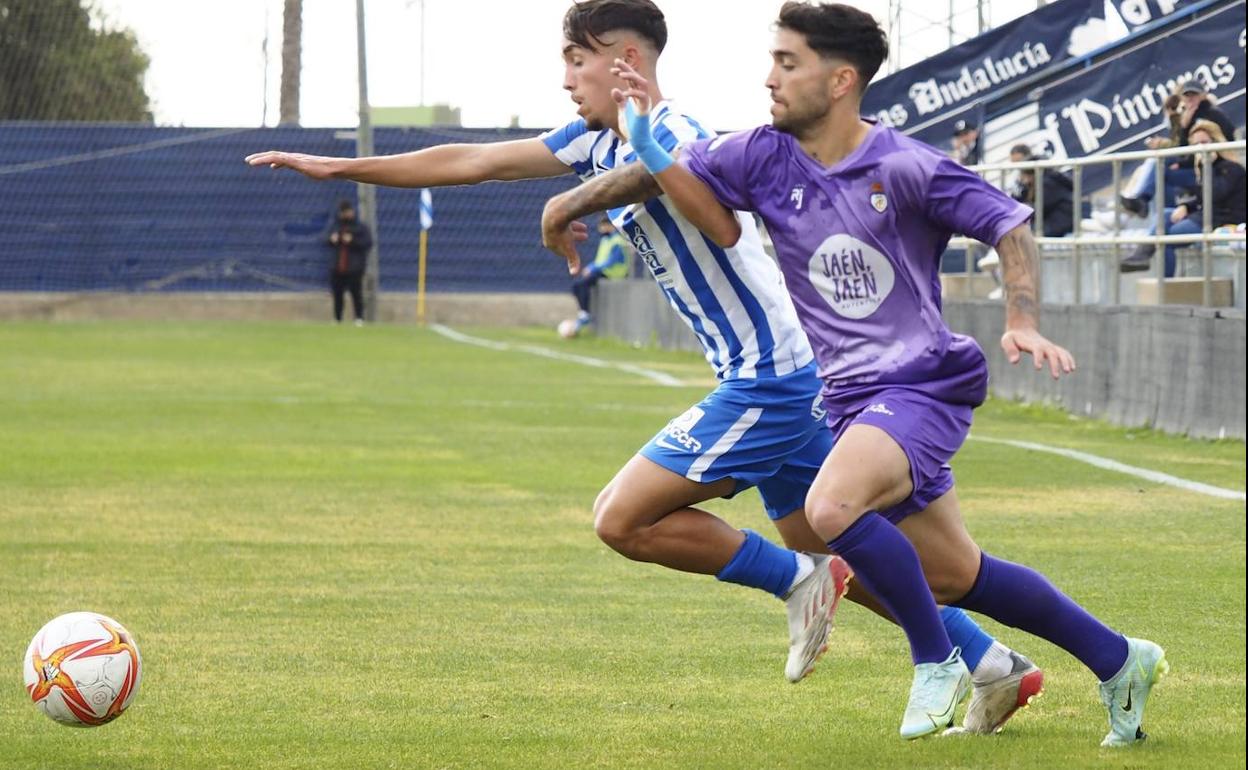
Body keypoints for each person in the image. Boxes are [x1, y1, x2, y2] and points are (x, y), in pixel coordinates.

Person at [248, 0, 1039, 736]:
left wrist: (572, 202)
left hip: (770, 376)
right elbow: (476, 159)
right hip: (790, 378)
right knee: (852, 557)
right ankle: (988, 661)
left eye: (575, 62)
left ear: (625, 58)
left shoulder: (677, 131)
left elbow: (699, 203)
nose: (564, 80)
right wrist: (340, 170)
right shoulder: (590, 140)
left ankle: (797, 584)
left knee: (623, 519)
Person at [598, 0, 1164, 745]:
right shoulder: (762, 154)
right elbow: (720, 222)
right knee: (956, 574)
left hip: (924, 385)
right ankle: (1120, 658)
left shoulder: (904, 165)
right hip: (852, 399)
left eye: (787, 62)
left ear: (840, 81)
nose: (769, 77)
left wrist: (1021, 317)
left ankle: (937, 660)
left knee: (830, 512)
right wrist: (647, 142)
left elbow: (1008, 221)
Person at [1120, 119, 1246, 276]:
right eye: (1196, 145)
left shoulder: (1230, 168)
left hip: (1222, 219)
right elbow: (1202, 198)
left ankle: (1164, 283)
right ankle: (1142, 256)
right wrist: (1186, 207)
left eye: (1205, 142)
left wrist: (1207, 166)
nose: (1201, 148)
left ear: (1215, 142)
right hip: (1206, 216)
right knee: (1165, 214)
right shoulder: (1204, 167)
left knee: (1166, 241)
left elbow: (1215, 194)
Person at [1121, 80, 1237, 215]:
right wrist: (1184, 126)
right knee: (1158, 170)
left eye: (1194, 94)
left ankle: (1153, 208)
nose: (1190, 98)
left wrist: (1180, 162)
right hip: (1196, 167)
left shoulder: (1213, 114)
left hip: (1211, 170)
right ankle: (1163, 214)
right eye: (1187, 95)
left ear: (1203, 95)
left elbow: (1220, 143)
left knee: (1157, 165)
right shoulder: (1188, 115)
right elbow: (1185, 149)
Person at [570, 216, 630, 333]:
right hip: (602, 271)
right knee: (577, 286)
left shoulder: (618, 241)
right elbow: (600, 260)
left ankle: (585, 314)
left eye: (603, 227)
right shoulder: (605, 240)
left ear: (610, 226)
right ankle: (583, 312)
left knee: (582, 284)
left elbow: (612, 261)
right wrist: (591, 267)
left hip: (613, 273)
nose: (601, 230)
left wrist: (593, 268)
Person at [1008, 146, 1074, 238]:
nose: (1017, 166)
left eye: (1019, 162)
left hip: (1059, 224)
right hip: (1052, 223)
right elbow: (1015, 200)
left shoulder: (1047, 182)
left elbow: (1038, 210)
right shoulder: (1033, 181)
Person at [327, 199, 372, 325]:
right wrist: (332, 240)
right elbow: (325, 239)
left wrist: (352, 241)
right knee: (337, 294)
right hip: (338, 266)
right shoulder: (335, 226)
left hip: (354, 267)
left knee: (356, 293)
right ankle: (337, 318)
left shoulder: (360, 227)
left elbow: (368, 243)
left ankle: (359, 318)